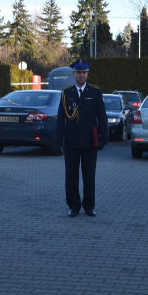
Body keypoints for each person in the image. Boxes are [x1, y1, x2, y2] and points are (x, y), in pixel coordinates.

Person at [55, 60, 108, 217]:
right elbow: (60, 119)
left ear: (87, 74)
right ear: (73, 74)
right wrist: (58, 141)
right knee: (71, 176)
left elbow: (102, 116)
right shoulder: (66, 93)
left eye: (84, 72)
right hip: (71, 142)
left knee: (89, 175)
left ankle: (89, 206)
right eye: (78, 72)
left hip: (89, 142)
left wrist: (104, 137)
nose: (81, 75)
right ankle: (73, 206)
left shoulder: (95, 92)